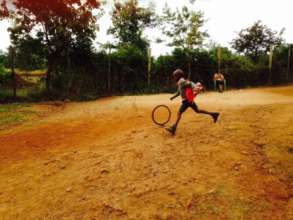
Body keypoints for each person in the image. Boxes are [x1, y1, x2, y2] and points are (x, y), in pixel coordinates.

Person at [166, 69, 220, 135]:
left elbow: (190, 83)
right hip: (189, 100)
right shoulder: (180, 82)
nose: (174, 77)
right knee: (197, 110)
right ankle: (214, 114)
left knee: (179, 113)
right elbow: (179, 92)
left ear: (178, 76)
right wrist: (173, 97)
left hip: (186, 101)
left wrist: (195, 87)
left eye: (175, 76)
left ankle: (173, 128)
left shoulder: (182, 81)